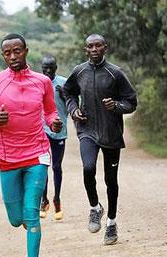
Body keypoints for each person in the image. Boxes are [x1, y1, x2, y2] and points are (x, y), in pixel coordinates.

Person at [0, 33, 62, 257]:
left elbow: (50, 112)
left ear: (26, 51)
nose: (13, 57)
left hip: (37, 154)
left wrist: (54, 122)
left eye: (17, 51)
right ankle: (27, 222)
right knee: (16, 219)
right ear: (3, 55)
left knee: (31, 213)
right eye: (7, 53)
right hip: (7, 157)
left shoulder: (42, 82)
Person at [64, 34, 137, 245]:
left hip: (111, 133)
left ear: (105, 48)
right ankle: (95, 207)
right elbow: (68, 93)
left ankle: (112, 223)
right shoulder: (79, 71)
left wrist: (116, 106)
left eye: (98, 46)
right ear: (85, 50)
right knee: (88, 168)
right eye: (90, 46)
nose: (94, 49)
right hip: (87, 130)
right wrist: (73, 109)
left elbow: (131, 102)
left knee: (110, 180)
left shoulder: (115, 73)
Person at [39, 55, 68, 220]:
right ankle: (44, 200)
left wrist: (64, 95)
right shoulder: (37, 82)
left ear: (56, 67)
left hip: (59, 131)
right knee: (42, 166)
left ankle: (57, 198)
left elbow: (73, 104)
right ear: (42, 67)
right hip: (41, 131)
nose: (48, 70)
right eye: (45, 67)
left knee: (56, 166)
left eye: (51, 67)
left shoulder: (63, 83)